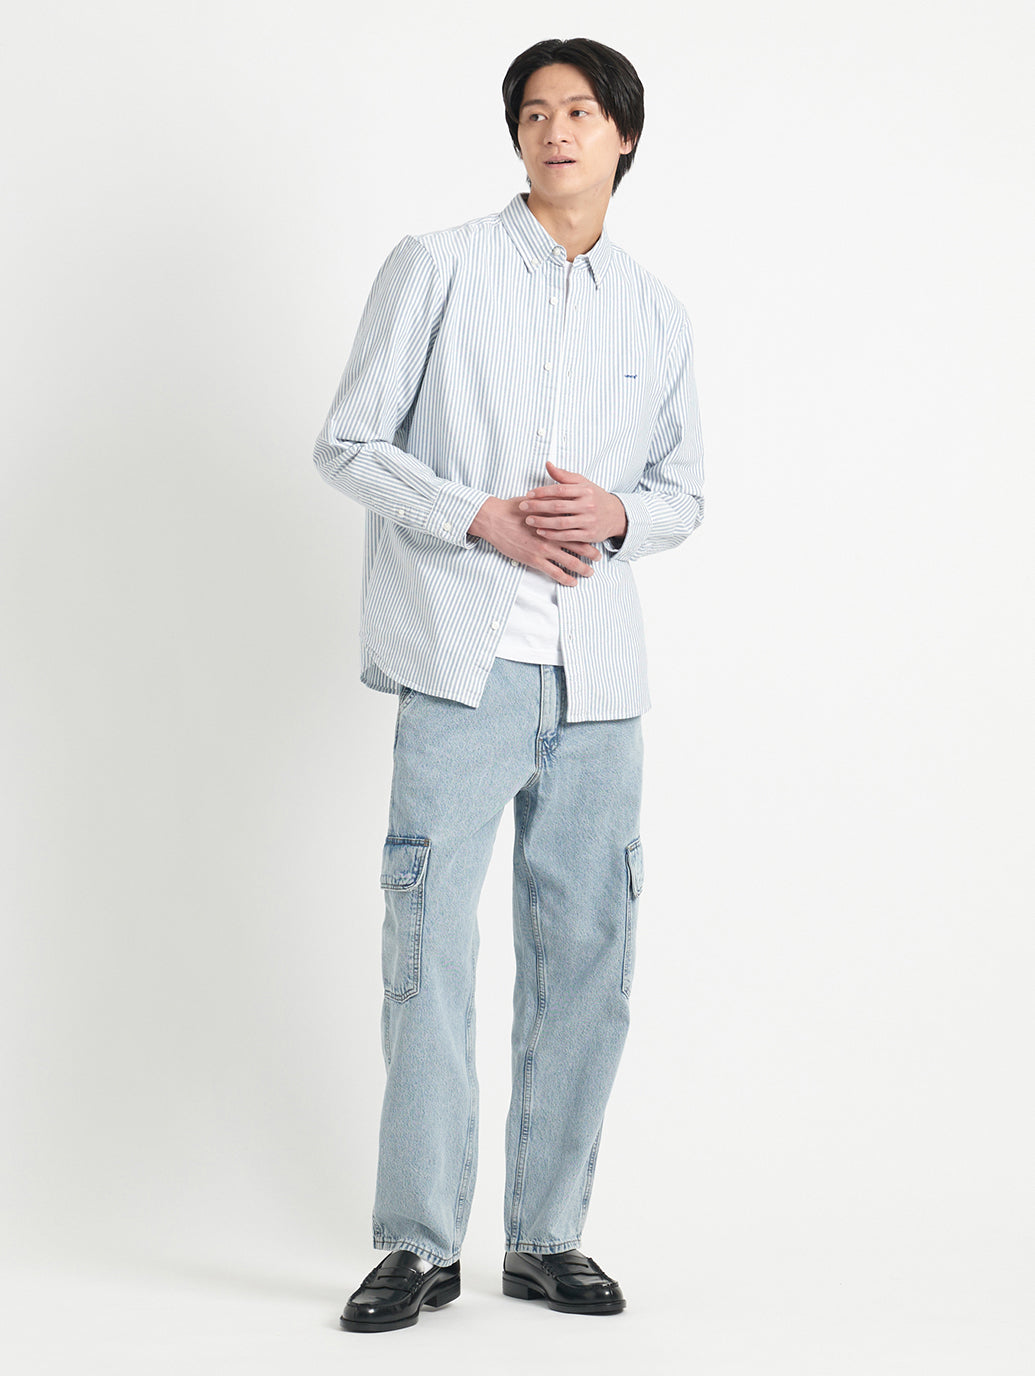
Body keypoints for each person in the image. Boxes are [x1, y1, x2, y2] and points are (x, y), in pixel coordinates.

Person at [313, 36, 704, 1333]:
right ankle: (418, 1242)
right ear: (517, 135)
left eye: (580, 111)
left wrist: (620, 515)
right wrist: (480, 516)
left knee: (590, 951)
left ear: (623, 136)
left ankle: (546, 1236)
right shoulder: (438, 266)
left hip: (599, 684)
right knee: (429, 945)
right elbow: (347, 442)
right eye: (535, 112)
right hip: (458, 660)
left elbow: (683, 490)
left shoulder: (655, 312)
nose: (556, 130)